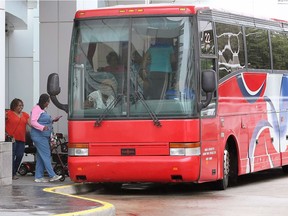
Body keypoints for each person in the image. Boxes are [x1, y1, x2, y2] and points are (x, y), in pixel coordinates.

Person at [30, 93, 62, 183]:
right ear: (44, 102)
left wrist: (53, 120)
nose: (48, 104)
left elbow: (43, 120)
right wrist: (42, 127)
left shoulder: (41, 110)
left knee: (41, 156)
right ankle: (52, 175)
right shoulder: (36, 109)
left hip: (43, 136)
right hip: (39, 136)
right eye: (48, 102)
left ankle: (38, 177)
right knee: (46, 155)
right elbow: (33, 122)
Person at [5, 98, 30, 180]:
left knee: (19, 155)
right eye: (19, 105)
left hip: (21, 139)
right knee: (12, 156)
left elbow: (31, 124)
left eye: (22, 105)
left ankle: (14, 171)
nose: (21, 107)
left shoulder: (25, 115)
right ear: (14, 106)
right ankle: (11, 174)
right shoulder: (8, 113)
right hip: (12, 139)